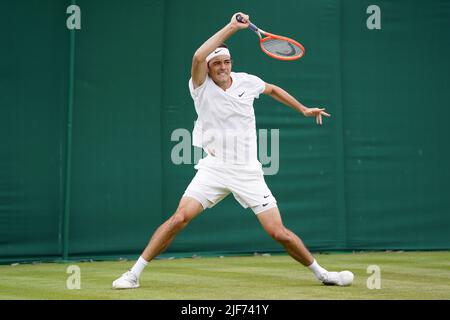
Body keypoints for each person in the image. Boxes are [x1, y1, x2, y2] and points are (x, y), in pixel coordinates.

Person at [112, 12, 353, 289]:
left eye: (227, 62)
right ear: (209, 67)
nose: (223, 67)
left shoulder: (246, 81)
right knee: (179, 218)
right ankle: (133, 274)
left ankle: (324, 275)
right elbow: (197, 58)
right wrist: (231, 27)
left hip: (247, 171)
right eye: (217, 63)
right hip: (214, 168)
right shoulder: (199, 87)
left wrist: (302, 109)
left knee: (279, 232)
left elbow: (272, 89)